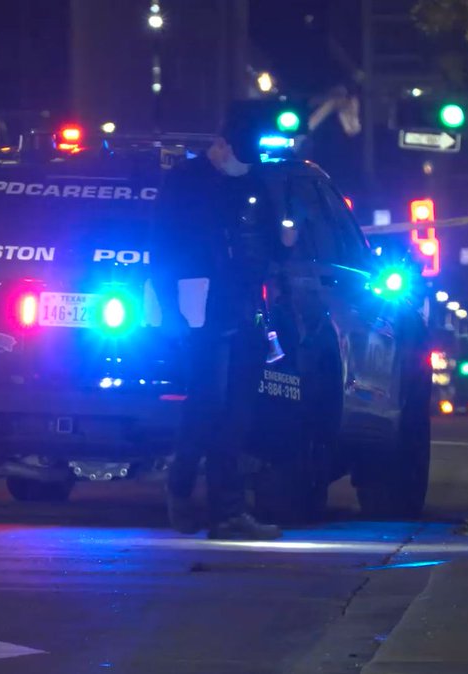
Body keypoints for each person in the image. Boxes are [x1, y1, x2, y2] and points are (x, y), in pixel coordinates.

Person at [149, 112, 286, 541]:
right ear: (220, 144)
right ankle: (188, 491)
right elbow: (163, 249)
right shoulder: (187, 182)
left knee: (235, 413)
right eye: (238, 155)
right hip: (199, 313)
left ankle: (225, 511)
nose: (244, 164)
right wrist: (172, 313)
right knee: (207, 404)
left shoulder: (249, 181)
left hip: (239, 309)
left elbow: (264, 243)